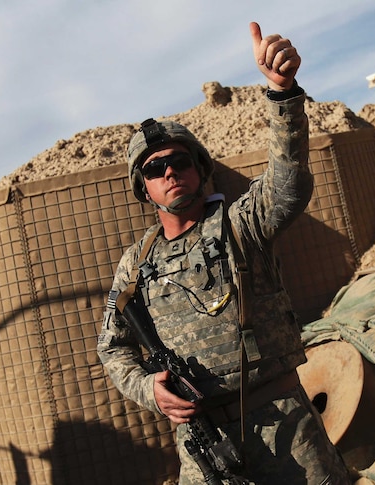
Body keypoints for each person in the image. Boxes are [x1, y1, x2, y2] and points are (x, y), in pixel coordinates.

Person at [97, 22, 349, 484]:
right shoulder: (136, 264)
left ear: (200, 168)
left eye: (180, 161)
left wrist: (281, 93)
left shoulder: (240, 223)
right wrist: (149, 390)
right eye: (155, 168)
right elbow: (113, 349)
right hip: (201, 443)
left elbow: (288, 183)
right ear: (144, 188)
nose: (170, 171)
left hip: (283, 425)